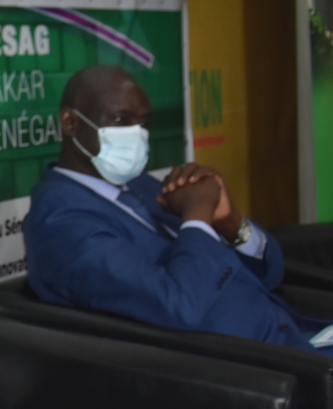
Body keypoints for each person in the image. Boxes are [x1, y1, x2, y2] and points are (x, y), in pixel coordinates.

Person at [23, 64, 329, 351]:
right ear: (70, 123)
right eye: (120, 119)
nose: (137, 134)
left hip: (296, 336)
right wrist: (198, 216)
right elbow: (178, 306)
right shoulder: (62, 223)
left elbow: (271, 272)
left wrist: (231, 223)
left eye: (143, 123)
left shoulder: (139, 186)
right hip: (256, 367)